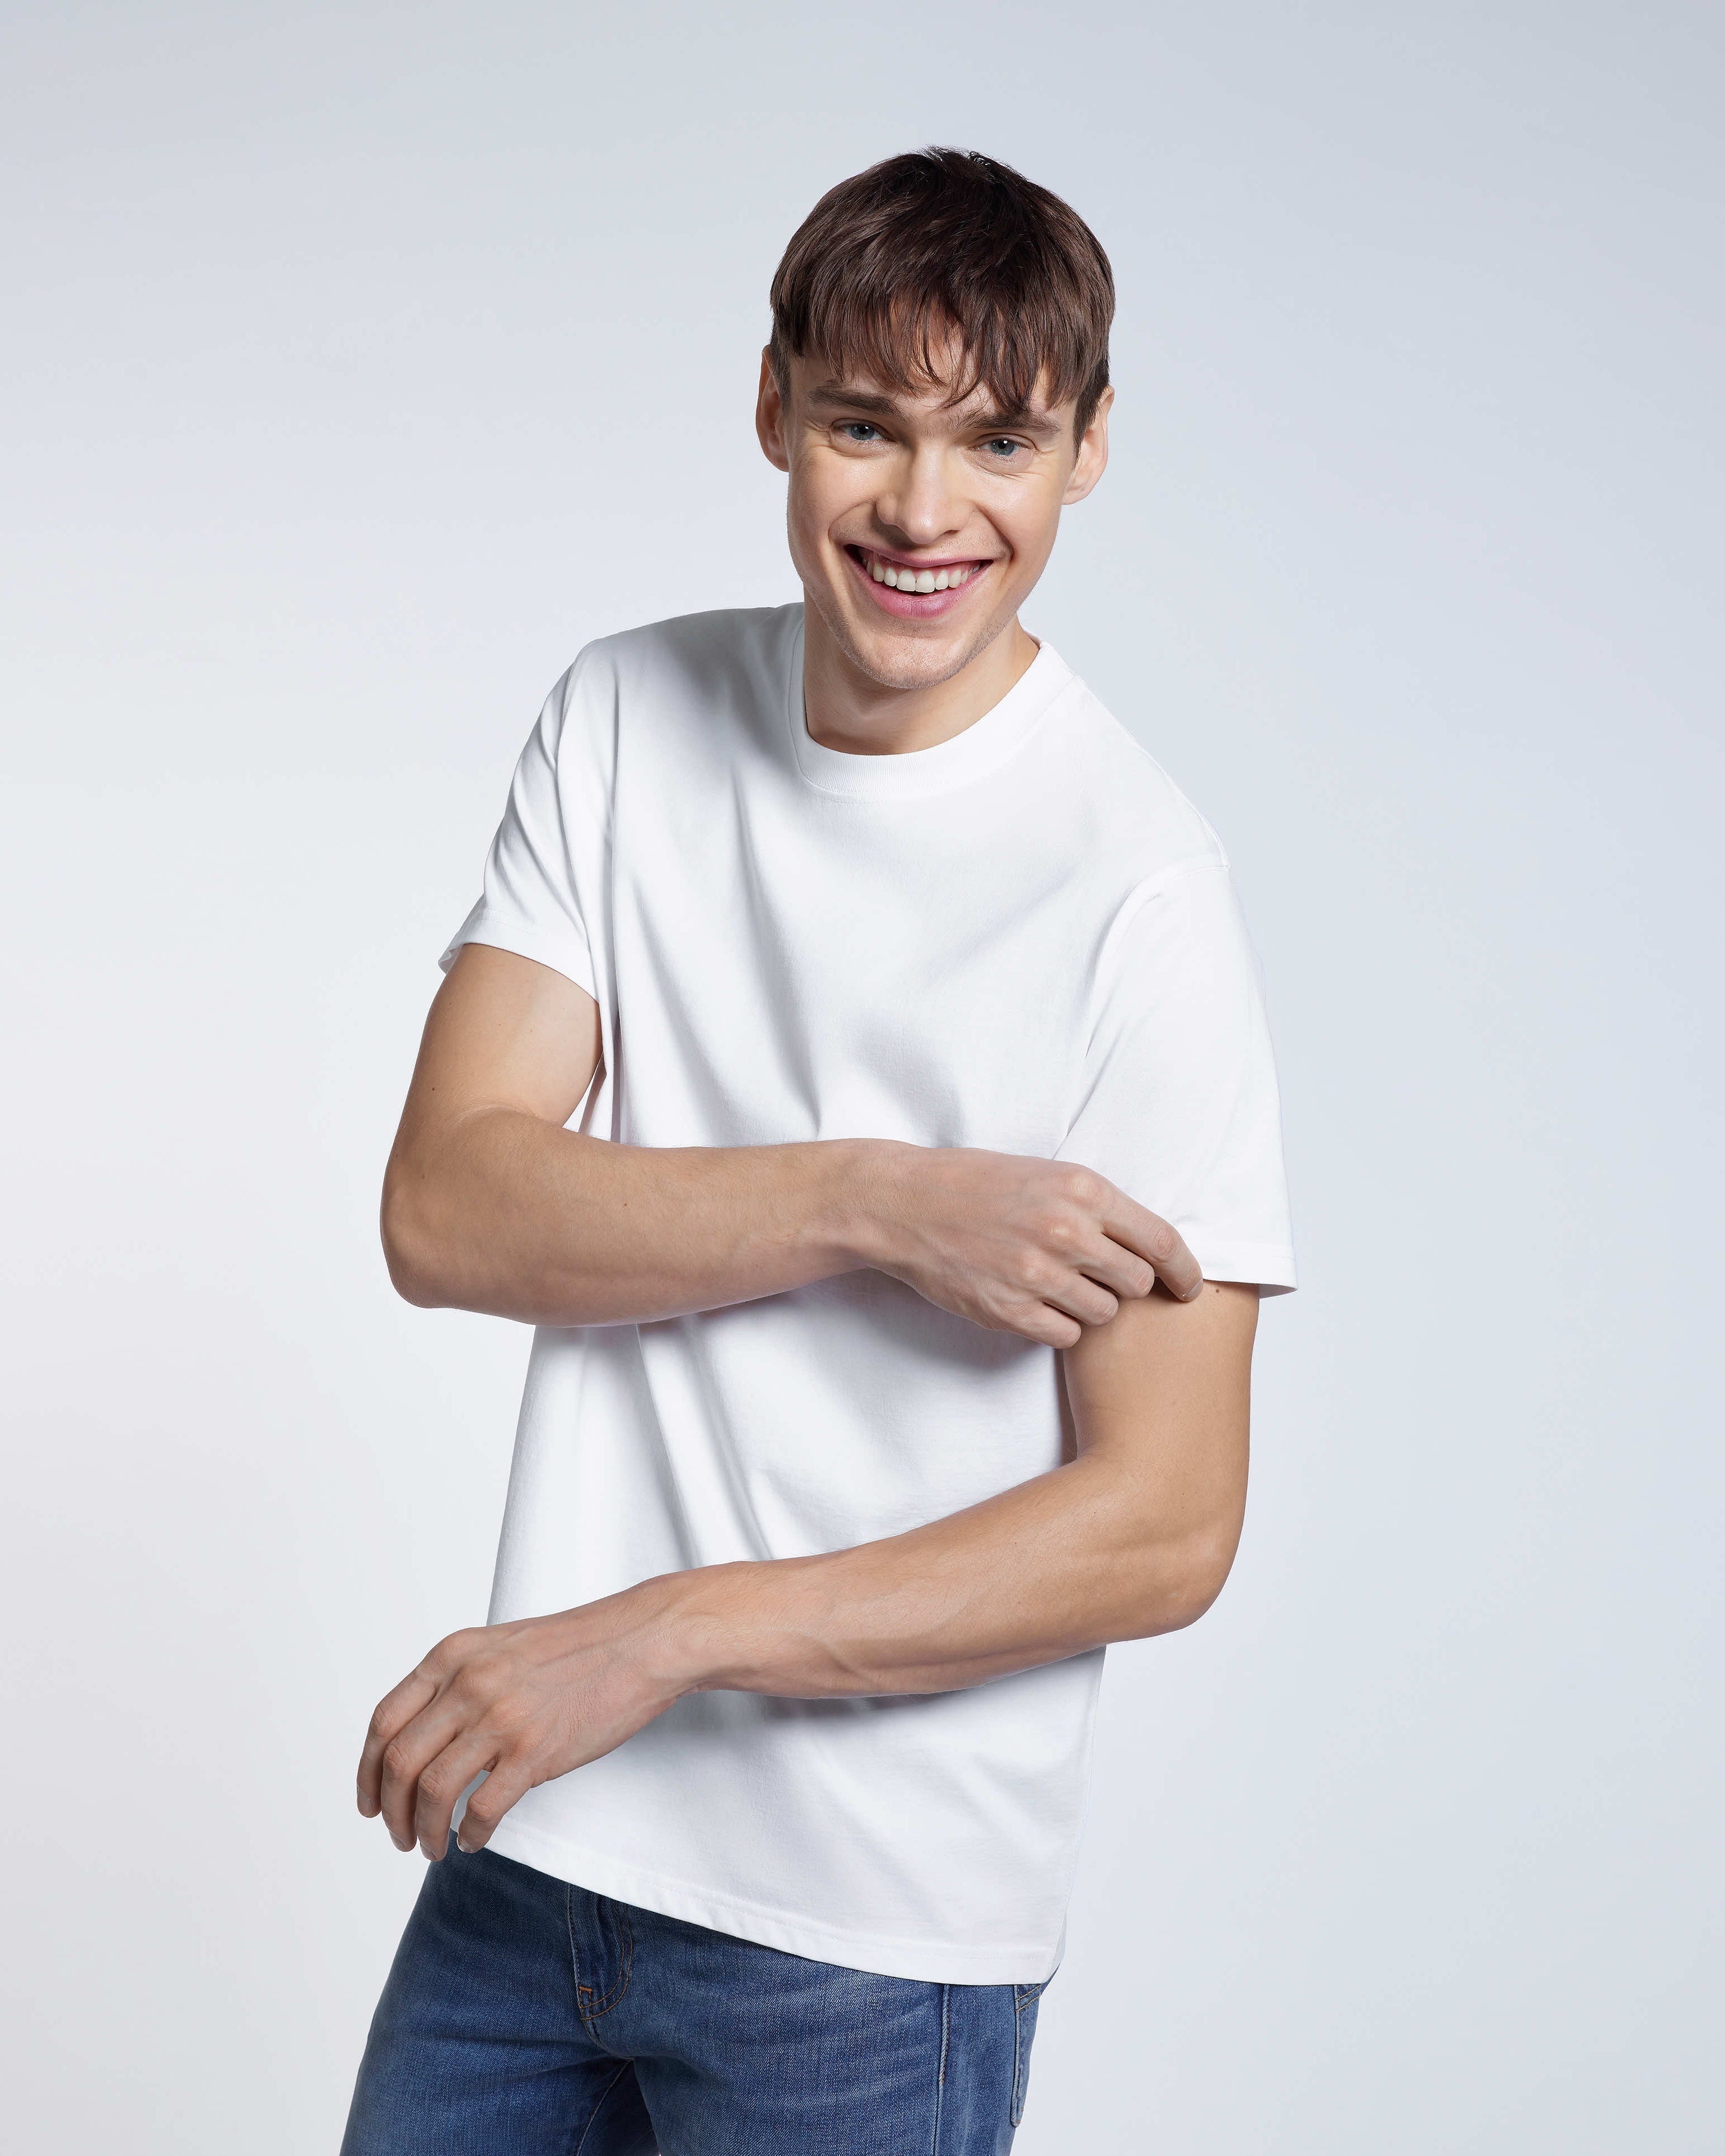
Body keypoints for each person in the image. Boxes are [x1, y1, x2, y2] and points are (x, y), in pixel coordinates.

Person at [342, 147, 1295, 2155]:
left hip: (866, 1940)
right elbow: (446, 1202)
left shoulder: (1140, 891)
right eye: (867, 427)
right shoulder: (624, 721)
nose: (926, 512)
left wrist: (663, 1631)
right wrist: (880, 1198)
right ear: (773, 406)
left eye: (998, 443)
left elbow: (1167, 1520)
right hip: (534, 1857)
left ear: (1089, 450)